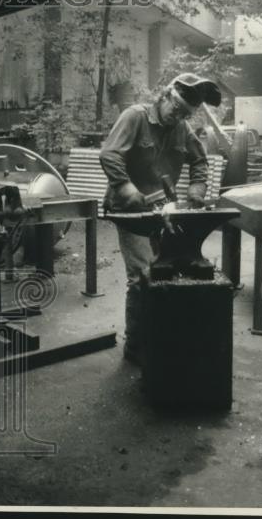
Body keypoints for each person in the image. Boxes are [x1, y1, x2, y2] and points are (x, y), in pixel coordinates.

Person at [98, 72, 222, 363]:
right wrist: (127, 188)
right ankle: (136, 347)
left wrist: (196, 189)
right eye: (175, 109)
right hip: (130, 211)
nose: (177, 117)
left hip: (161, 210)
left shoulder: (180, 127)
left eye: (184, 114)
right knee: (142, 275)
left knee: (166, 270)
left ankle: (160, 336)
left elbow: (200, 159)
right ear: (164, 96)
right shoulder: (135, 117)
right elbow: (110, 155)